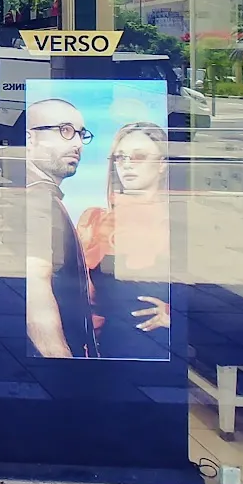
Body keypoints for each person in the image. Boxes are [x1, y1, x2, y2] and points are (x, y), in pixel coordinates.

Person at [77, 122, 172, 359]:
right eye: (120, 157)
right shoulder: (95, 221)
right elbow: (80, 298)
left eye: (138, 156)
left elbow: (214, 287)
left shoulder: (178, 221)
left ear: (162, 164)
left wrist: (176, 316)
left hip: (161, 351)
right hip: (106, 350)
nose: (127, 164)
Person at [25, 98, 99, 358]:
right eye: (65, 130)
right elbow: (35, 286)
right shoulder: (38, 200)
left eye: (81, 134)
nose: (77, 143)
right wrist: (62, 362)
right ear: (30, 139)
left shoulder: (43, 195)